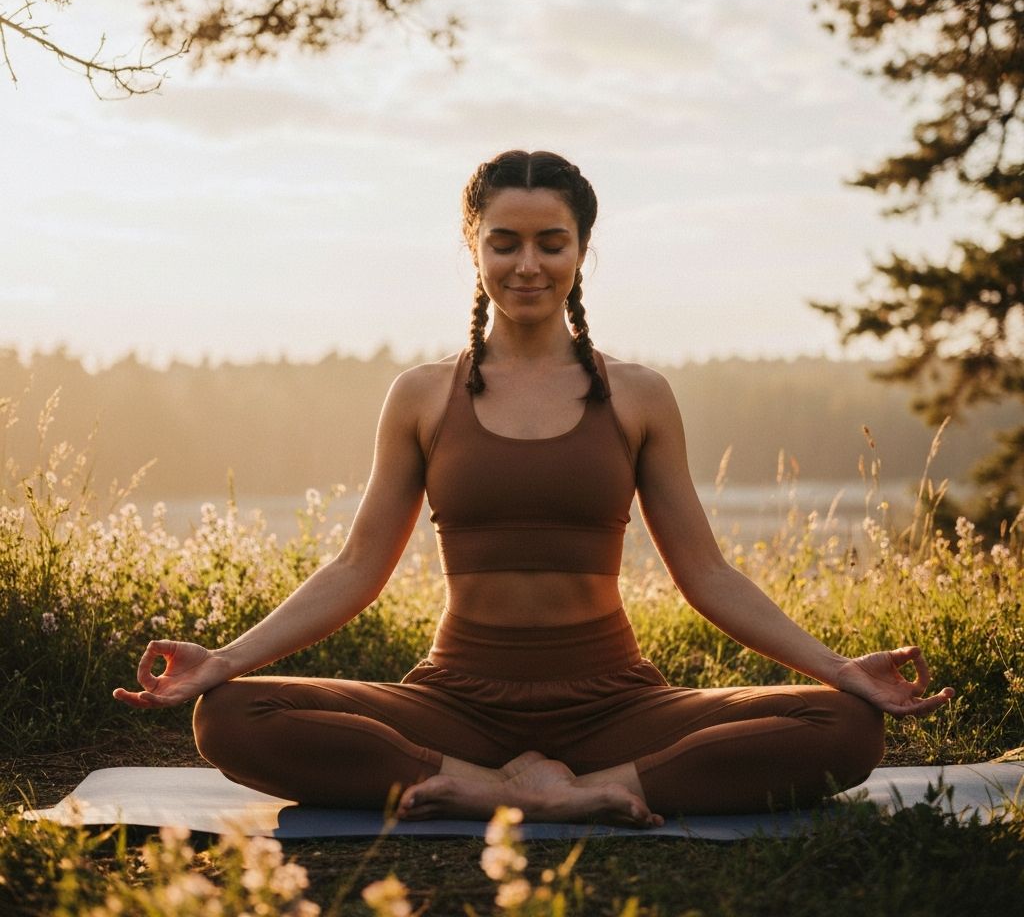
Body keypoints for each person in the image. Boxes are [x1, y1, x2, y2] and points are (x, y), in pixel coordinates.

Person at [115, 150, 954, 827]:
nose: (527, 265)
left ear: (581, 250)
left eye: (551, 243)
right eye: (504, 243)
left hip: (614, 703)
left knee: (846, 727)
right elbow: (357, 566)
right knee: (227, 715)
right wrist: (225, 661)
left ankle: (580, 786)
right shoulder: (421, 396)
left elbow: (706, 574)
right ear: (474, 248)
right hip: (455, 702)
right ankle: (502, 787)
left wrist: (839, 669)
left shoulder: (638, 395)